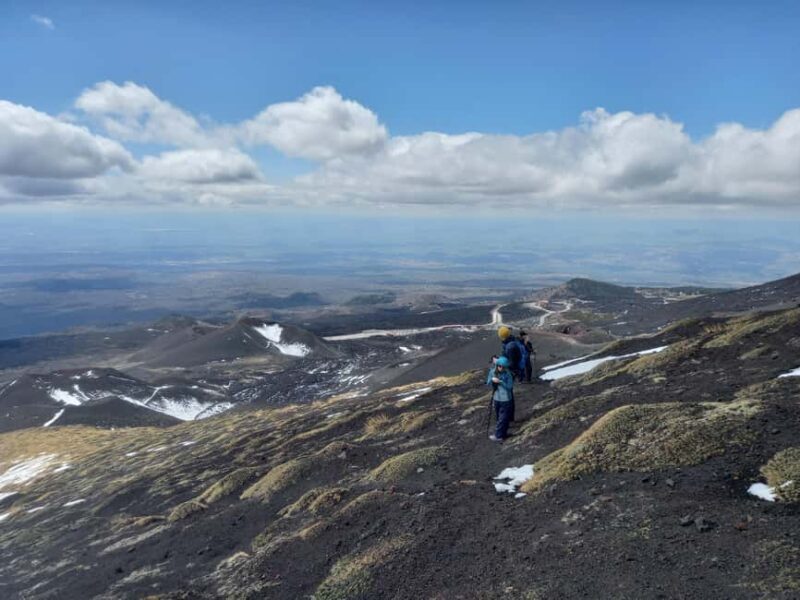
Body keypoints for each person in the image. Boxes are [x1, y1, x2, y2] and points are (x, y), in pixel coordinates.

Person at [486, 356, 514, 441]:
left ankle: (498, 436)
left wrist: (501, 382)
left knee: (503, 418)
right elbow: (488, 383)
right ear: (497, 365)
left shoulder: (508, 374)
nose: (501, 368)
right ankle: (503, 434)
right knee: (500, 417)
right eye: (500, 366)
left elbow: (509, 387)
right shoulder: (492, 372)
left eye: (503, 367)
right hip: (496, 398)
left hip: (506, 399)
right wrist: (492, 380)